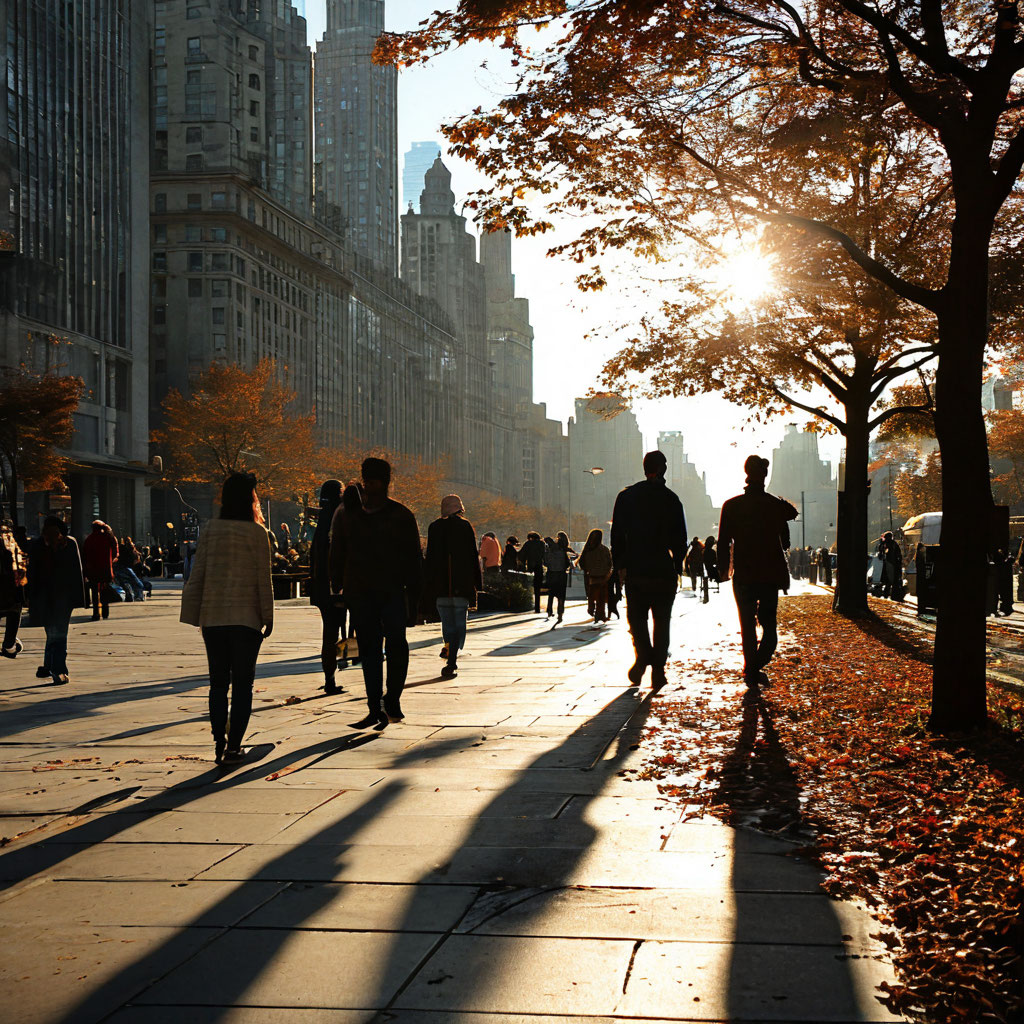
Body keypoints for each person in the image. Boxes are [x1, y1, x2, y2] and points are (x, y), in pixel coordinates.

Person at [180, 473, 274, 765]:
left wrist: (194, 612)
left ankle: (219, 741)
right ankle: (234, 746)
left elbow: (199, 573)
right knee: (243, 684)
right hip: (246, 620)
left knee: (218, 683)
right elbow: (264, 580)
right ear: (250, 499)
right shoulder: (259, 533)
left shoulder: (211, 530)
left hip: (214, 618)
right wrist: (268, 617)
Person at [330, 457, 422, 728]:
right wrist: (337, 587)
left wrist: (414, 599)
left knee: (395, 645)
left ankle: (391, 698)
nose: (370, 485)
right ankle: (375, 705)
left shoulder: (400, 515)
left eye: (375, 480)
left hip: (391, 591)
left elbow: (413, 559)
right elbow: (337, 553)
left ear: (385, 482)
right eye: (367, 479)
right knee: (371, 649)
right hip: (362, 592)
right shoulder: (349, 513)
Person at [718, 455, 798, 689]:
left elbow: (723, 542)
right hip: (769, 573)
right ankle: (755, 667)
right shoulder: (775, 506)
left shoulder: (731, 506)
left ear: (746, 473)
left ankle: (751, 668)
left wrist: (724, 569)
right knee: (769, 624)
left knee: (747, 624)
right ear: (764, 475)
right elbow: (786, 537)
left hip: (743, 572)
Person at [611, 450, 688, 687]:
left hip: (636, 567)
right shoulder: (671, 499)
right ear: (664, 469)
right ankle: (658, 670)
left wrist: (620, 566)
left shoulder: (626, 496)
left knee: (636, 618)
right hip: (662, 569)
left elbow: (617, 536)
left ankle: (643, 654)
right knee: (662, 621)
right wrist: (677, 565)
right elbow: (680, 539)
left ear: (645, 468)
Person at [424, 494, 482, 679]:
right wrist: (477, 583)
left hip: (441, 587)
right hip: (461, 585)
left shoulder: (434, 527)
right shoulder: (465, 526)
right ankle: (452, 659)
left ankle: (449, 649)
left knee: (447, 624)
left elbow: (430, 559)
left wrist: (428, 584)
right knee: (459, 624)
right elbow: (473, 556)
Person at [27, 517, 86, 685]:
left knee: (52, 633)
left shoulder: (38, 544)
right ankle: (58, 670)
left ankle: (49, 666)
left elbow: (32, 574)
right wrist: (79, 599)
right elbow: (77, 572)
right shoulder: (69, 543)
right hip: (63, 597)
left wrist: (31, 597)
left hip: (43, 597)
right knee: (59, 635)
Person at [308, 479, 349, 694]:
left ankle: (329, 678)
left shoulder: (322, 519)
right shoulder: (341, 517)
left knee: (329, 634)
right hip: (339, 586)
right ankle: (336, 672)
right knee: (338, 630)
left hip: (322, 587)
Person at [0, 520, 27, 658]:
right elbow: (20, 568)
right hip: (11, 589)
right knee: (14, 613)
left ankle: (9, 645)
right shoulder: (12, 544)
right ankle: (9, 645)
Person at [83, 521, 118, 620]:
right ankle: (105, 611)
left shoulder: (89, 539)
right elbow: (115, 549)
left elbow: (85, 556)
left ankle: (96, 613)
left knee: (94, 592)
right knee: (104, 590)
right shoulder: (107, 538)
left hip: (93, 570)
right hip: (105, 569)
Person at [576, 528, 613, 623]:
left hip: (591, 577)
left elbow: (582, 563)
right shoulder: (604, 549)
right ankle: (600, 614)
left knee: (592, 596)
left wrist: (588, 570)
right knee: (601, 597)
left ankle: (592, 609)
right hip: (603, 577)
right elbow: (610, 563)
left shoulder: (587, 550)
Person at [544, 532, 575, 622]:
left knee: (551, 593)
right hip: (561, 575)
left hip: (551, 574)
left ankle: (549, 610)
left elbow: (545, 562)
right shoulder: (564, 550)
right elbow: (567, 564)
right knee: (561, 595)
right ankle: (560, 614)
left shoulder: (550, 550)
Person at [518, 531, 546, 613]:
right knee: (538, 588)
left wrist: (522, 564)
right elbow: (545, 555)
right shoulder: (542, 544)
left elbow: (521, 555)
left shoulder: (528, 544)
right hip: (539, 567)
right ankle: (537, 607)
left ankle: (529, 603)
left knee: (529, 586)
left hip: (530, 568)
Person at [878, 531, 903, 599]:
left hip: (887, 563)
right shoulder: (893, 544)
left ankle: (887, 594)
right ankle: (893, 595)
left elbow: (880, 554)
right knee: (892, 580)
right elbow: (898, 554)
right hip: (892, 564)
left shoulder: (884, 544)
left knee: (888, 581)